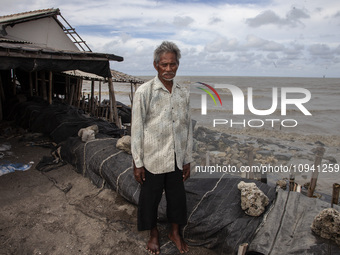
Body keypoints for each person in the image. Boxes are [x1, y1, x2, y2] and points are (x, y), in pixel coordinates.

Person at [131, 41, 193, 254]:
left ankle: (174, 232)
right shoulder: (144, 92)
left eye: (173, 64)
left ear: (178, 65)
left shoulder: (183, 93)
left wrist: (187, 158)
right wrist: (137, 163)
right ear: (156, 65)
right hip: (153, 158)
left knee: (177, 197)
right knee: (150, 199)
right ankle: (154, 233)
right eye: (164, 65)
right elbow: (137, 130)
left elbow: (187, 128)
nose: (168, 69)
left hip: (176, 157)